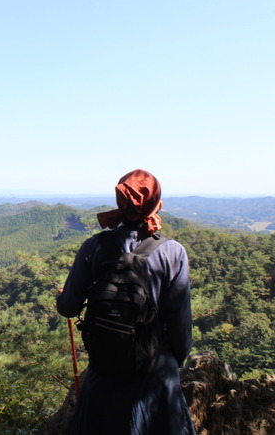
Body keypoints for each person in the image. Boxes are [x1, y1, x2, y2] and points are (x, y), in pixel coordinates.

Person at [57, 169, 195, 435]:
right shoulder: (172, 251)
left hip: (105, 369)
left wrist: (63, 296)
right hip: (154, 374)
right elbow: (180, 321)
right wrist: (174, 360)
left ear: (120, 202)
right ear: (157, 203)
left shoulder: (94, 246)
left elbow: (68, 308)